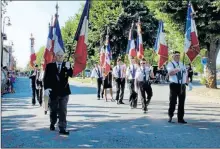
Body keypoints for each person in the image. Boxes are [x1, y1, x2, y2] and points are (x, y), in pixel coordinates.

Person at [43, 50, 73, 135]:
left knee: (63, 110)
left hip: (64, 92)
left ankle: (62, 128)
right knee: (53, 110)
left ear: (63, 56)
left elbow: (71, 74)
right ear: (55, 56)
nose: (60, 57)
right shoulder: (50, 66)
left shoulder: (66, 65)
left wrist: (68, 68)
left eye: (61, 56)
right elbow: (45, 79)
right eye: (58, 55)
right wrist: (46, 89)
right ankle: (52, 122)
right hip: (53, 92)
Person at [166, 51, 188, 124]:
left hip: (182, 85)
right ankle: (170, 116)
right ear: (172, 57)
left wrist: (188, 82)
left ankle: (180, 118)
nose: (177, 57)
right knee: (173, 101)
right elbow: (170, 73)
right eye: (176, 56)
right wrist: (177, 69)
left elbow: (185, 74)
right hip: (174, 84)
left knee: (182, 102)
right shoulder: (170, 64)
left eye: (178, 55)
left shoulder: (182, 64)